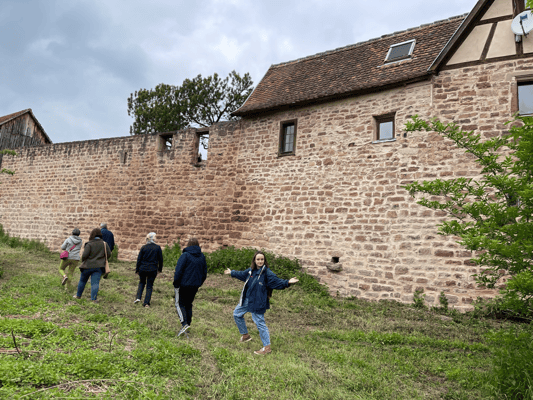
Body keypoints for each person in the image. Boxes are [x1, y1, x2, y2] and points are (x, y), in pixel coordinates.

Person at [224, 251, 299, 355]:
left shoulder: (267, 273)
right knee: (237, 314)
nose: (260, 261)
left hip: (258, 302)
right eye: (258, 259)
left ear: (264, 260)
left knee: (260, 323)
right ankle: (245, 336)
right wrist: (232, 272)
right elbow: (242, 274)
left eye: (262, 259)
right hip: (248, 300)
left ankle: (267, 348)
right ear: (254, 260)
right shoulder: (251, 271)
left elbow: (276, 282)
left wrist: (287, 282)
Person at [173, 238, 207, 337]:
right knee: (188, 304)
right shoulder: (202, 257)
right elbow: (204, 273)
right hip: (195, 285)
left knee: (179, 304)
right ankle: (187, 325)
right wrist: (199, 283)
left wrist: (176, 283)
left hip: (183, 285)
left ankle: (184, 324)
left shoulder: (185, 255)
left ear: (188, 245)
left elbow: (178, 271)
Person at [74, 228, 111, 302]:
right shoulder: (104, 244)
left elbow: (84, 255)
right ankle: (93, 299)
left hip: (87, 266)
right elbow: (109, 254)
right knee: (95, 283)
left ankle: (78, 295)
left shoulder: (89, 244)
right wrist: (102, 259)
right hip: (99, 267)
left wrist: (83, 260)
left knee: (82, 281)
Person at [135, 232, 163, 308]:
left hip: (142, 268)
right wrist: (160, 269)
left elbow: (139, 259)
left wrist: (137, 269)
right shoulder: (157, 248)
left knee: (141, 282)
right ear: (153, 238)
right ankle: (146, 303)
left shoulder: (143, 247)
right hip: (152, 269)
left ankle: (138, 297)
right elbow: (160, 260)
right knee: (149, 286)